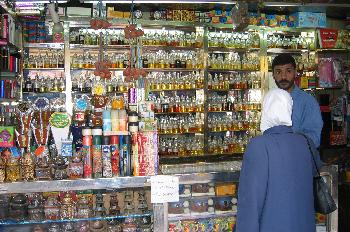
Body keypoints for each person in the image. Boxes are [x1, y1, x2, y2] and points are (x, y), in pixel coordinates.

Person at [236, 89, 320, 232]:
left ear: (266, 111)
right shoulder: (306, 142)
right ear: (289, 110)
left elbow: (250, 203)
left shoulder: (258, 146)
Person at [272, 53, 323, 147]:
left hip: (299, 159)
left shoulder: (308, 102)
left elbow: (314, 139)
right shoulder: (270, 101)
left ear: (295, 72)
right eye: (278, 72)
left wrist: (289, 143)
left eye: (288, 71)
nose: (283, 77)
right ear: (273, 75)